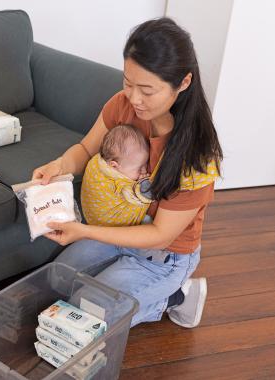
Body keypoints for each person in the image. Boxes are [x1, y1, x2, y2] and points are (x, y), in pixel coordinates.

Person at [32, 17, 223, 328]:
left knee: (84, 313)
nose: (134, 99)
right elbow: (84, 150)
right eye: (128, 82)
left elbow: (160, 235)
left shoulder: (197, 156)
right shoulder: (123, 105)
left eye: (147, 90)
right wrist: (59, 166)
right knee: (55, 285)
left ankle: (174, 296)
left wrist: (83, 231)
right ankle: (156, 298)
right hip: (118, 229)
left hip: (165, 256)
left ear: (183, 83)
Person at [81, 124, 153, 227]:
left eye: (145, 164)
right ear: (114, 166)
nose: (144, 170)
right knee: (147, 221)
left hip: (90, 219)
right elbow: (138, 197)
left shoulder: (97, 161)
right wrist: (143, 187)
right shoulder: (117, 181)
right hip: (109, 222)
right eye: (139, 167)